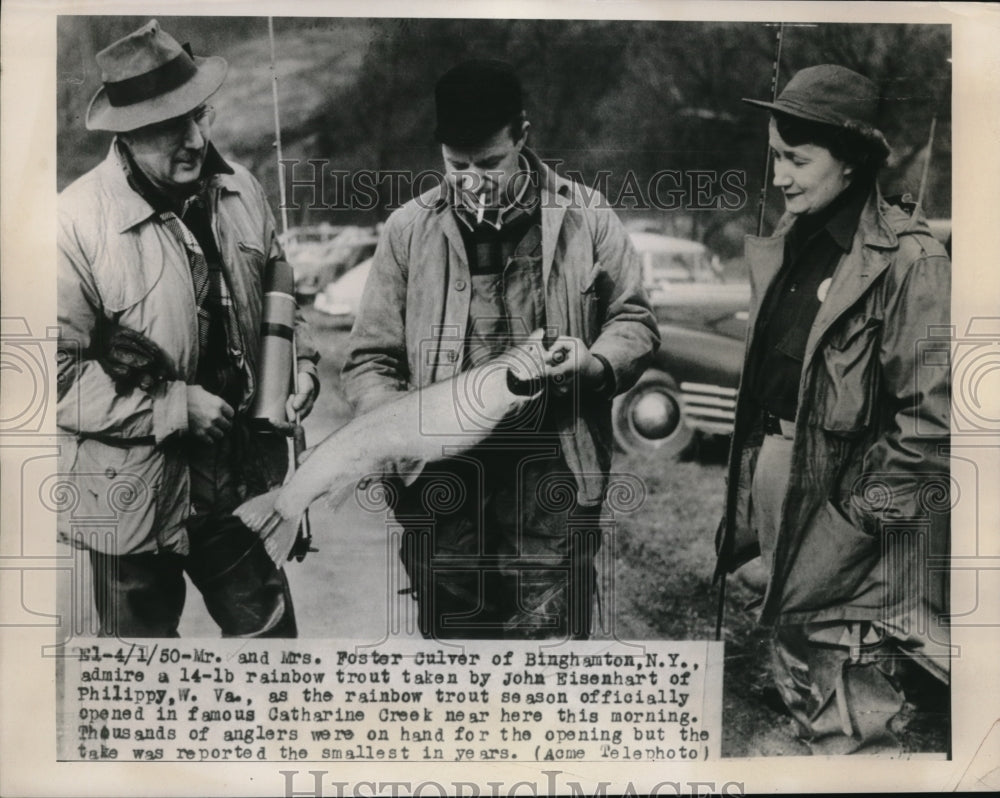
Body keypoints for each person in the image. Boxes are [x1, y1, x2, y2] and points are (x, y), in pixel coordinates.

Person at [342, 59, 659, 639]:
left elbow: (634, 320)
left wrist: (594, 360)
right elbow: (370, 360)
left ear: (523, 137)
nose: (472, 180)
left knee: (549, 652)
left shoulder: (587, 218)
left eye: (489, 163)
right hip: (442, 487)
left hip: (551, 476)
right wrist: (393, 427)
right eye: (456, 165)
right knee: (457, 653)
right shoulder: (407, 231)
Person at [715, 65, 951, 753]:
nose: (780, 176)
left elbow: (929, 431)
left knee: (848, 690)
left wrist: (850, 523)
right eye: (775, 157)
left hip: (855, 516)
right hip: (782, 477)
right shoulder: (795, 240)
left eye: (796, 159)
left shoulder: (910, 263)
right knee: (796, 657)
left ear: (849, 162)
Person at [57, 20, 319, 637]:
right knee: (144, 680)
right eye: (171, 126)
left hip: (244, 486)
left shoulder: (242, 190)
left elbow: (283, 298)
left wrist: (303, 364)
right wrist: (171, 406)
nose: (196, 140)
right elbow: (51, 377)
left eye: (198, 115)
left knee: (272, 656)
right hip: (133, 499)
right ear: (127, 132)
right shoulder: (73, 224)